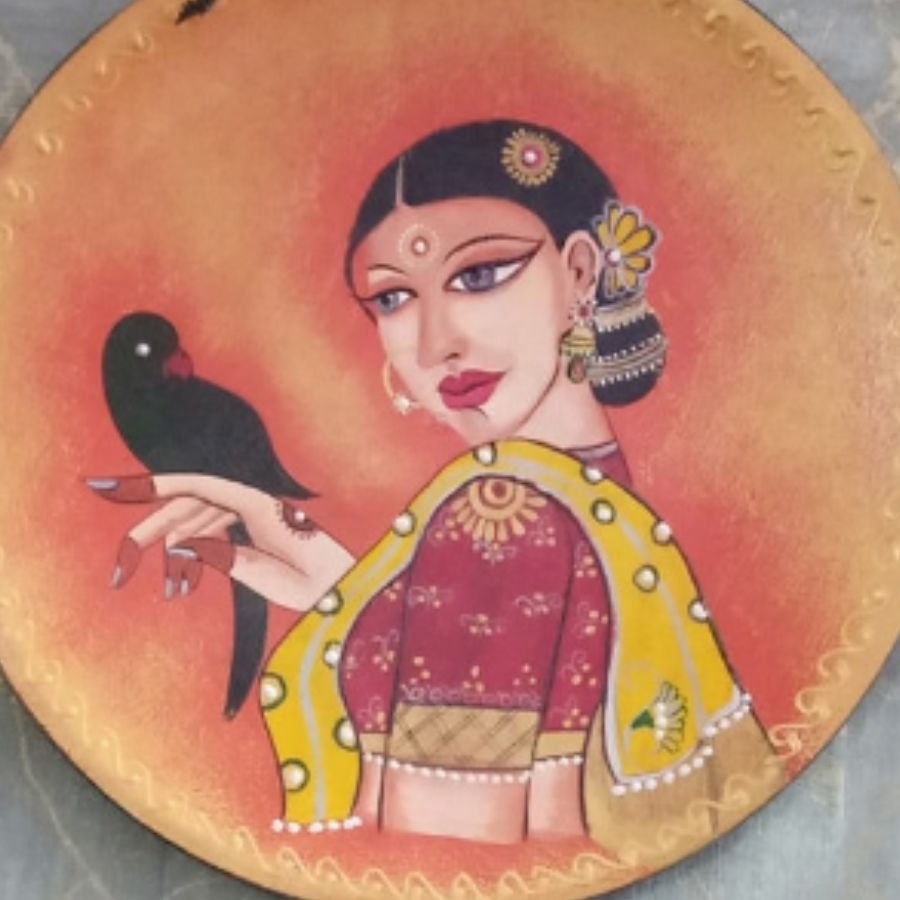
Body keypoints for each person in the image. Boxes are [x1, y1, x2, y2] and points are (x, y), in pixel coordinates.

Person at [88, 120, 784, 854]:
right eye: (393, 298)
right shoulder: (589, 497)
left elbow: (439, 871)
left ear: (580, 272)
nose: (434, 343)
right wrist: (364, 602)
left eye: (478, 276)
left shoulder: (497, 520)